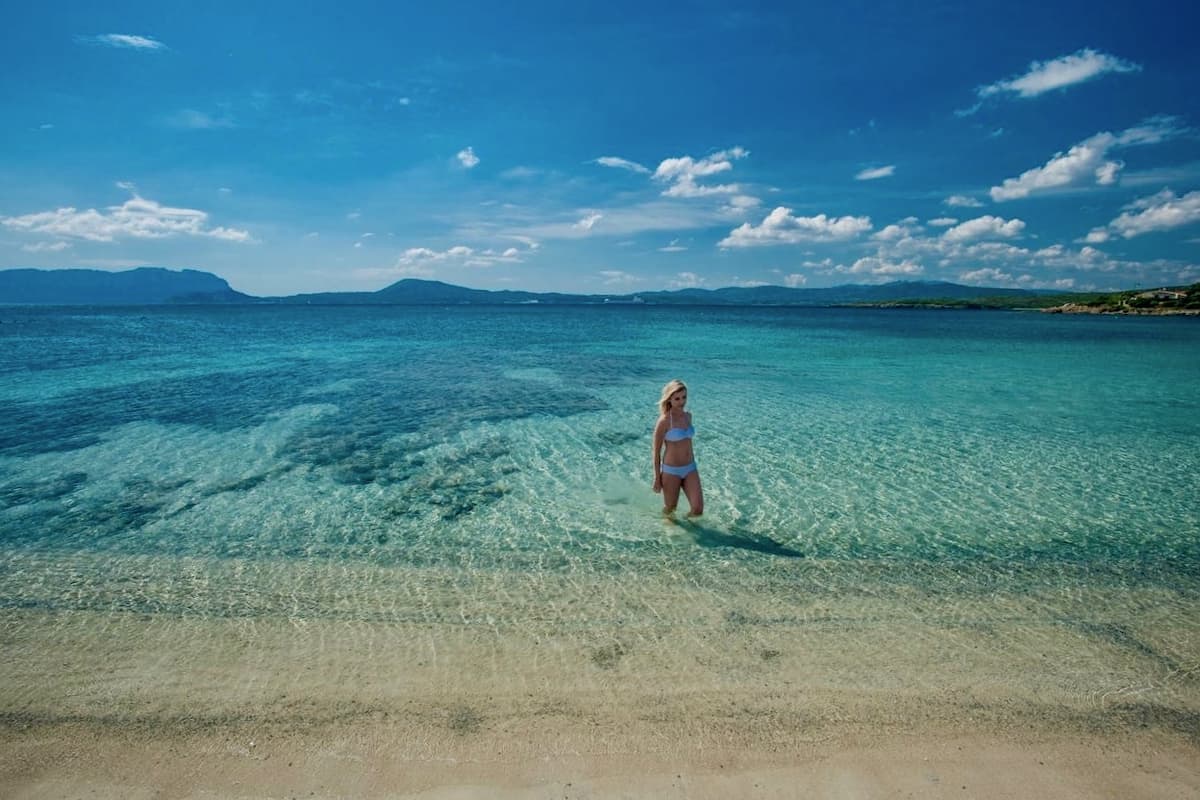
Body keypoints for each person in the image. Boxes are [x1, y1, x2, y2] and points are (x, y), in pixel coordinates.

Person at [652, 379, 704, 517]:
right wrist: (657, 478)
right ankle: (670, 535)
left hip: (690, 468)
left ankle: (688, 532)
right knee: (670, 510)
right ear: (669, 399)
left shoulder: (688, 416)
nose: (682, 402)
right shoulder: (664, 421)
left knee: (697, 509)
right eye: (677, 399)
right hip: (671, 471)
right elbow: (656, 453)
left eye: (684, 397)